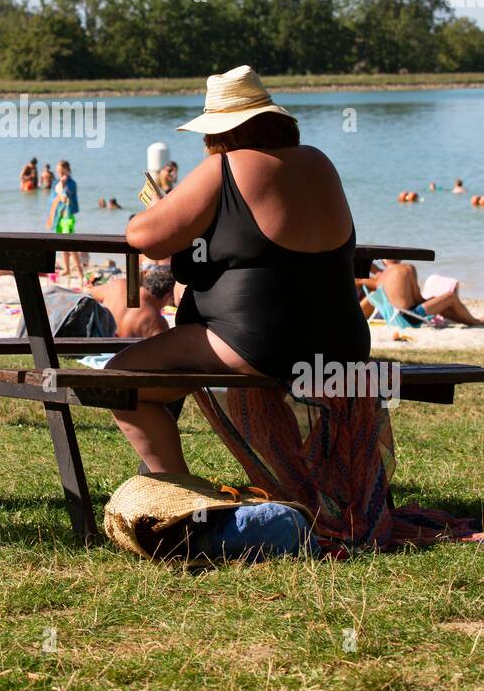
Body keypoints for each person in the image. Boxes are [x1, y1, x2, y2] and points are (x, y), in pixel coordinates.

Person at [105, 65, 369, 477]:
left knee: (118, 379)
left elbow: (145, 238)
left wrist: (162, 208)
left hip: (263, 347)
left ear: (220, 131)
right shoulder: (320, 162)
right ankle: (292, 484)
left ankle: (175, 492)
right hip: (344, 345)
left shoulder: (225, 168)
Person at [360, 259, 484, 326]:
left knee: (440, 304)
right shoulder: (407, 268)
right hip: (410, 317)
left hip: (394, 318)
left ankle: (470, 321)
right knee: (450, 297)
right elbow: (418, 299)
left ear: (383, 262)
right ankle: (476, 322)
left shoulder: (380, 277)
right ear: (400, 258)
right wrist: (433, 300)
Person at [90, 266, 176, 339]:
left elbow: (88, 296)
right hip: (119, 353)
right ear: (169, 296)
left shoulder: (118, 285)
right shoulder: (157, 323)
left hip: (98, 343)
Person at [46, 159, 83, 285]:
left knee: (71, 243)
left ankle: (79, 270)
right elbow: (53, 199)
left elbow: (67, 196)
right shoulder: (56, 182)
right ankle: (67, 268)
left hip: (68, 216)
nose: (59, 173)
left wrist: (62, 184)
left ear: (67, 170)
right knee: (62, 243)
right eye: (58, 171)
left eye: (61, 171)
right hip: (59, 217)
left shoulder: (71, 183)